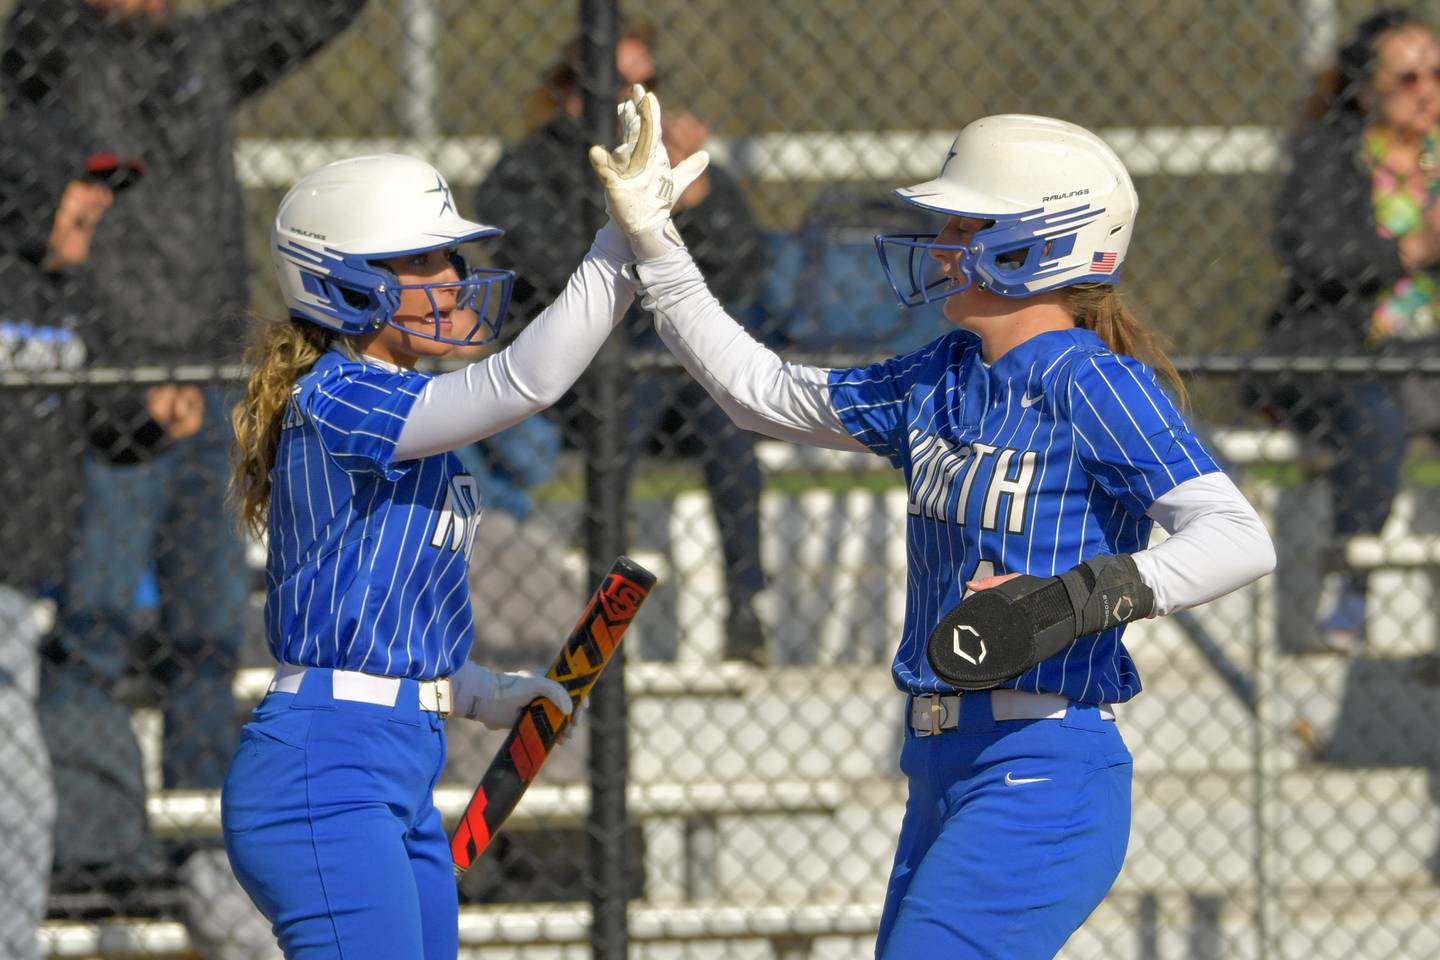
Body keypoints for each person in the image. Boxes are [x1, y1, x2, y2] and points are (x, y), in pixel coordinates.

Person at [592, 91, 1276, 957]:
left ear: (1040, 245)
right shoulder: (943, 372)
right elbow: (760, 393)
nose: (944, 246)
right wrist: (654, 242)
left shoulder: (1090, 379)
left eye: (969, 228)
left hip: (1044, 764)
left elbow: (1236, 535)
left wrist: (1070, 599)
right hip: (943, 761)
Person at [2, 0, 370, 952]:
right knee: (90, 631)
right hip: (109, 381)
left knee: (209, 636)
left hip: (211, 384)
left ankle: (211, 852)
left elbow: (302, 23)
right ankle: (97, 852)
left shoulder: (201, 49)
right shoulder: (50, 54)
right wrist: (131, 371)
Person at [221, 149, 642, 958]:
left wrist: (490, 694)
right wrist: (621, 248)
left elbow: (390, 619)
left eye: (448, 255)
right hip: (325, 774)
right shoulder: (341, 396)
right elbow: (524, 384)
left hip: (399, 771)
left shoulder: (419, 423)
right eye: (420, 259)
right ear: (342, 282)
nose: (451, 275)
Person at [476, 21, 772, 662]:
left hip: (674, 389)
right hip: (578, 389)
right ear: (577, 93)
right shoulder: (531, 169)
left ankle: (747, 606)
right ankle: (607, 578)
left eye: (651, 83)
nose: (639, 98)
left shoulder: (678, 164)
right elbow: (565, 279)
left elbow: (746, 270)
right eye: (622, 84)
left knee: (724, 420)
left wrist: (699, 204)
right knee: (648, 350)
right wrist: (646, 227)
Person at [0, 106, 141, 960]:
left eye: (103, 186)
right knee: (18, 796)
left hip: (22, 588)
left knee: (21, 793)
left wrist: (152, 417)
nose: (97, 202)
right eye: (82, 183)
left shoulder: (76, 297)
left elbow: (106, 414)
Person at [1260, 8, 1440, 652]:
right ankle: (1353, 590)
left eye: (1438, 75)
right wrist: (1414, 247)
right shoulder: (1331, 157)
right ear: (1366, 90)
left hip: (1431, 359)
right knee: (1376, 419)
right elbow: (1315, 252)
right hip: (1341, 352)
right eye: (1408, 78)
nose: (1428, 91)